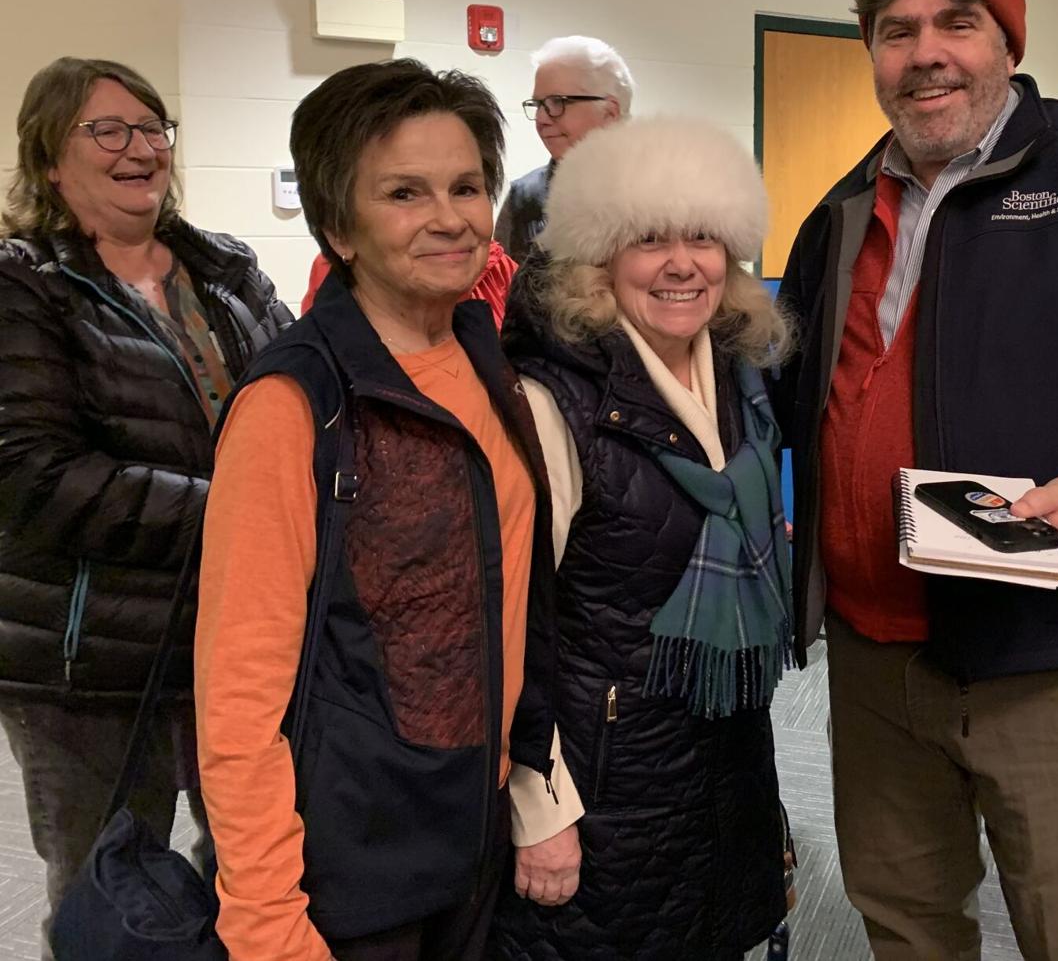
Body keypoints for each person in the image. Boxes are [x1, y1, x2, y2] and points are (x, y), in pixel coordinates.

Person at [772, 0, 1058, 961]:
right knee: (906, 920)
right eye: (896, 29)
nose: (925, 54)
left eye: (955, 22)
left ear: (1008, 38)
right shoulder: (836, 211)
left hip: (1052, 664)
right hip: (874, 663)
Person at [195, 58, 572, 961]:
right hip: (349, 871)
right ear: (339, 226)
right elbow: (238, 696)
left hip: (469, 830)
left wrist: (531, 786)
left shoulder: (485, 357)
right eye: (405, 192)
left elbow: (513, 597)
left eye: (467, 185)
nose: (450, 217)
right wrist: (265, 919)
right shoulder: (297, 402)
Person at [0, 55, 290, 959]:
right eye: (107, 130)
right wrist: (243, 508)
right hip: (87, 658)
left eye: (152, 128)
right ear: (51, 157)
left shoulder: (225, 270)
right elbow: (34, 474)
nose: (139, 148)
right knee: (106, 892)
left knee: (251, 866)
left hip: (236, 636)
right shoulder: (23, 286)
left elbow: (297, 404)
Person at [491, 116, 795, 960]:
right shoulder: (556, 405)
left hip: (724, 764)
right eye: (647, 239)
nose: (679, 263)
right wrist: (538, 808)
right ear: (599, 259)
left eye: (702, 237)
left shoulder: (742, 377)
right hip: (601, 779)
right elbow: (511, 622)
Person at [493, 35, 634, 264]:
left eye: (558, 102)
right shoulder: (525, 197)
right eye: (538, 105)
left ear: (610, 112)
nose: (541, 119)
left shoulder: (661, 193)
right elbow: (503, 287)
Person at [300, 235, 518, 329]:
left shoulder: (500, 269)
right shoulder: (334, 270)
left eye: (464, 189)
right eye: (403, 194)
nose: (448, 220)